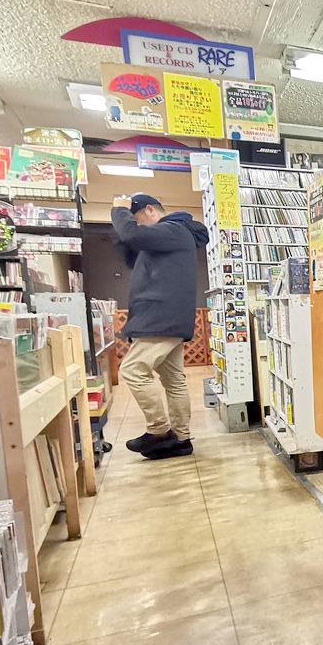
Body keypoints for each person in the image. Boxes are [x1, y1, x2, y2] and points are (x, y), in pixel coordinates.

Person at [112, 193, 210, 459]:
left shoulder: (174, 229)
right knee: (173, 379)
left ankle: (159, 432)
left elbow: (132, 235)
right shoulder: (172, 235)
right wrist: (125, 226)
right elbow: (131, 246)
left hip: (160, 318)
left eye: (136, 219)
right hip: (167, 317)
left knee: (132, 370)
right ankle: (181, 439)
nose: (137, 226)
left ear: (150, 210)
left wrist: (119, 210)